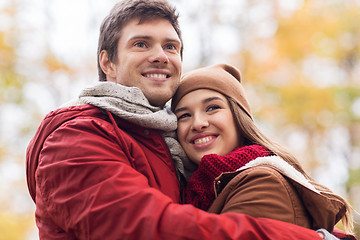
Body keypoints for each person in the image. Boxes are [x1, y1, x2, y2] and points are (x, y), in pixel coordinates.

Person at [25, 0, 351, 239]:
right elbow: (149, 228)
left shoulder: (172, 150)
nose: (161, 55)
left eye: (171, 46)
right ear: (107, 63)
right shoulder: (76, 137)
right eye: (141, 43)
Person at [171, 63, 355, 238]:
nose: (198, 123)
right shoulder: (200, 189)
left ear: (238, 117)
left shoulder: (263, 182)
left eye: (212, 108)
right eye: (184, 115)